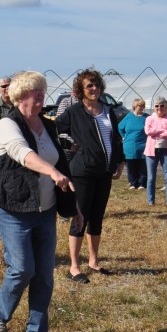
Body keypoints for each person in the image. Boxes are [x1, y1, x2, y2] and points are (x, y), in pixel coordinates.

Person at [0, 71, 73, 332]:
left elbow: (61, 161)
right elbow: (21, 153)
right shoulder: (7, 124)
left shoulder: (47, 125)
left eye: (42, 92)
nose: (41, 97)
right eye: (36, 93)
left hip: (45, 209)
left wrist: (73, 204)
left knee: (44, 275)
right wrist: (51, 172)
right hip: (14, 209)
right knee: (22, 269)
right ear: (20, 96)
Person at [55, 68, 125, 282]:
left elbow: (115, 138)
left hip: (104, 172)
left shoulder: (108, 110)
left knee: (97, 217)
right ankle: (74, 267)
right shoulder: (74, 112)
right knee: (80, 217)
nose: (94, 88)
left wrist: (120, 161)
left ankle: (93, 262)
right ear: (81, 90)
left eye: (97, 84)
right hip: (82, 172)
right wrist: (70, 146)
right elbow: (54, 130)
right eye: (89, 86)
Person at [144, 97, 167, 207]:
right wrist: (162, 131)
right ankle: (151, 201)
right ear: (154, 107)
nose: (159, 108)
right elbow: (147, 131)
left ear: (166, 106)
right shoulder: (149, 118)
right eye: (157, 106)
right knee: (151, 177)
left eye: (162, 105)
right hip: (151, 150)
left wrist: (156, 132)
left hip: (166, 150)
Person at [119, 98, 148, 190]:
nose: (142, 107)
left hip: (143, 145)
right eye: (140, 105)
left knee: (142, 164)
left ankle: (142, 183)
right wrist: (123, 136)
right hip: (129, 145)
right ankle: (132, 183)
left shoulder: (147, 117)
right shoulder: (129, 116)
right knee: (131, 164)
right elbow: (120, 127)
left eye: (143, 106)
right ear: (135, 106)